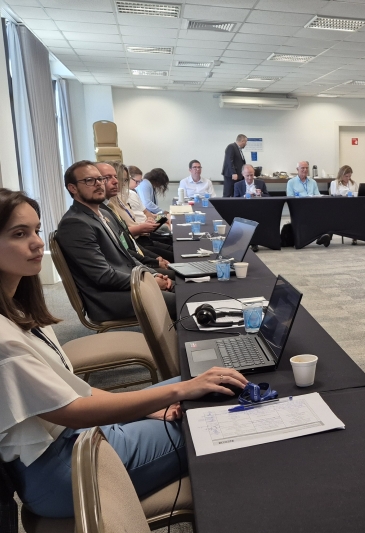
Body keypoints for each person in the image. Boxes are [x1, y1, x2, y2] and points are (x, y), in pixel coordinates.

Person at [0, 188, 249, 519]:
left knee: (210, 379)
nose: (36, 242)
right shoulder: (5, 341)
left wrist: (149, 407)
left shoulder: (18, 308)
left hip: (75, 441)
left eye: (35, 229)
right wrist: (175, 392)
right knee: (215, 412)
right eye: (19, 234)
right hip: (68, 470)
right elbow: (72, 410)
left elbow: (72, 392)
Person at [56, 161, 175, 322]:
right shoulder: (75, 223)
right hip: (110, 299)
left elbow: (126, 256)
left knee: (184, 288)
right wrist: (150, 282)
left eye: (99, 179)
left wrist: (152, 274)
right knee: (184, 301)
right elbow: (102, 276)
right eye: (89, 181)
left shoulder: (102, 214)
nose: (98, 184)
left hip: (129, 283)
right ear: (72, 188)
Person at [100, 162, 174, 265]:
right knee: (174, 256)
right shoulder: (106, 206)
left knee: (175, 249)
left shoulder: (120, 198)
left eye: (119, 179)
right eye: (123, 180)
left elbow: (140, 215)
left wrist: (147, 221)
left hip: (140, 240)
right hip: (137, 242)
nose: (116, 182)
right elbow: (121, 238)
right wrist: (155, 261)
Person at [286, 162, 329, 247]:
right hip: (298, 208)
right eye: (302, 168)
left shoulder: (313, 182)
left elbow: (317, 195)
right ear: (297, 169)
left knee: (324, 212)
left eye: (306, 168)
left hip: (312, 206)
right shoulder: (291, 182)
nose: (305, 170)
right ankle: (316, 236)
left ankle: (321, 236)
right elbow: (290, 197)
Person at [330, 165, 359, 245]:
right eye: (346, 176)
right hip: (340, 206)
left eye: (350, 176)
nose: (348, 178)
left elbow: (358, 194)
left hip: (352, 206)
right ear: (341, 175)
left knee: (358, 213)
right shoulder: (335, 183)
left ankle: (355, 236)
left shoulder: (353, 183)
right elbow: (334, 195)